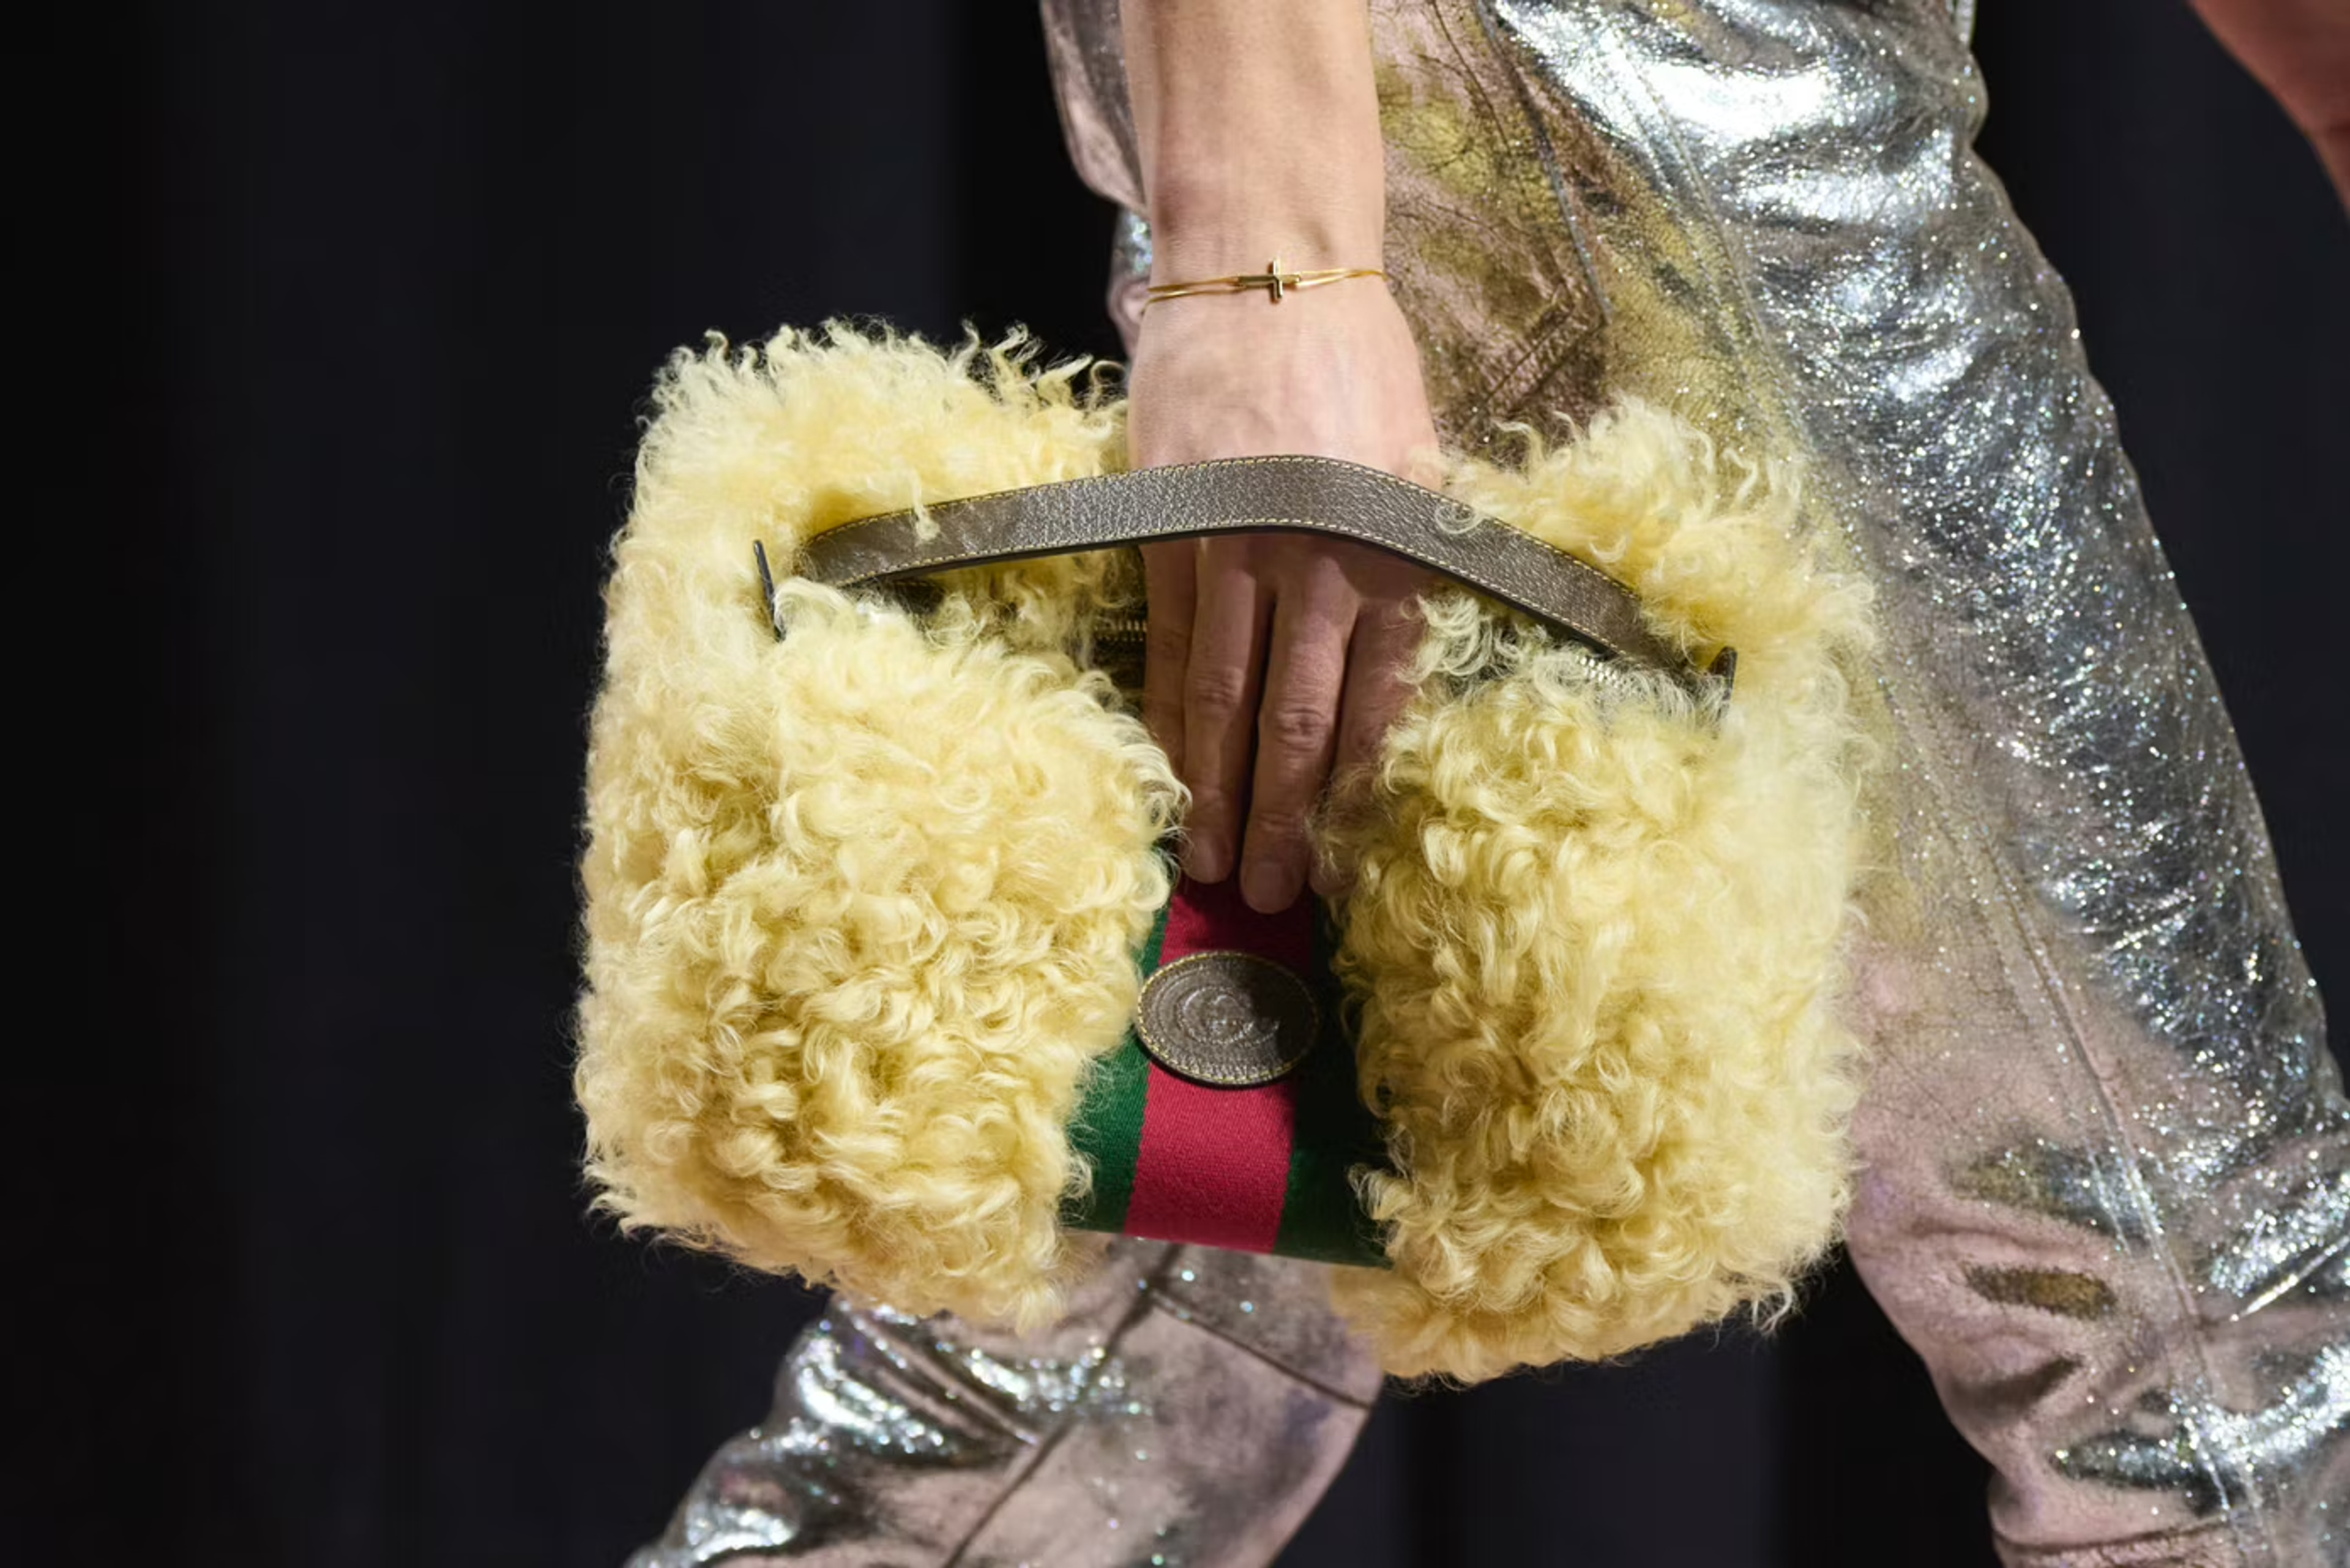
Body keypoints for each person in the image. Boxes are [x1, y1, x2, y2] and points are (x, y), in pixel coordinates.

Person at [627, 2, 2348, 1562]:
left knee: (1149, 1267)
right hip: (1633, 87)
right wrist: (1263, 254)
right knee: (2189, 1326)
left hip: (1534, 99)